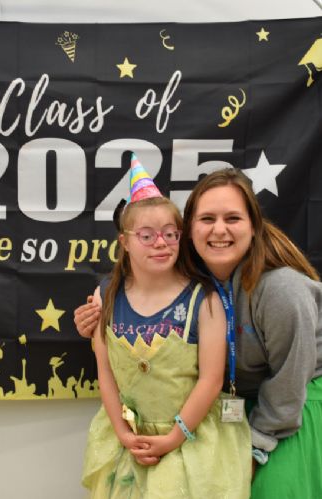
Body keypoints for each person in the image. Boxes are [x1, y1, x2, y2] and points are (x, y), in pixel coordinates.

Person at [77, 167, 322, 498]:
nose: (219, 230)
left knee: (268, 490)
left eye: (232, 218)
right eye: (207, 219)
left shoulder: (282, 290)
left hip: (292, 406)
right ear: (189, 230)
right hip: (228, 408)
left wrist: (254, 449)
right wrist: (94, 325)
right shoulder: (187, 277)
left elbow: (289, 382)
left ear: (253, 227)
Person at [82, 156, 251, 498]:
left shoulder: (204, 300)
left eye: (170, 234)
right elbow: (106, 372)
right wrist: (123, 433)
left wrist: (174, 437)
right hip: (129, 442)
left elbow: (210, 379)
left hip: (190, 441)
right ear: (125, 241)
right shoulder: (106, 297)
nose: (161, 243)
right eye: (147, 235)